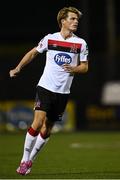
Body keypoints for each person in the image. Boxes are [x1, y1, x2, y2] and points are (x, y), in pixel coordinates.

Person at [9, 6, 89, 175]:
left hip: (63, 92)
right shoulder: (50, 39)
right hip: (45, 86)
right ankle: (24, 159)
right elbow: (32, 53)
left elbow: (85, 67)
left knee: (48, 128)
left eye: (77, 19)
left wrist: (74, 68)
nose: (76, 22)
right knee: (38, 122)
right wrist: (18, 68)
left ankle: (31, 160)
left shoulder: (80, 43)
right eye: (72, 19)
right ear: (63, 21)